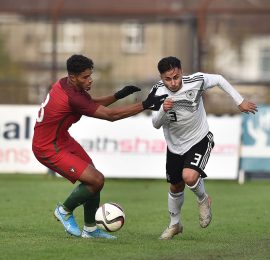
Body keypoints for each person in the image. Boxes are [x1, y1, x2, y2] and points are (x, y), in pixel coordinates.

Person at [32, 54, 167, 239]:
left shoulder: (66, 84)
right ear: (73, 77)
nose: (90, 80)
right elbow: (110, 116)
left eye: (90, 75)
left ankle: (90, 229)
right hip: (47, 147)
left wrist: (119, 95)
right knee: (96, 180)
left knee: (94, 178)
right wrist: (144, 105)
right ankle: (64, 211)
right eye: (85, 77)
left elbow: (89, 104)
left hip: (61, 139)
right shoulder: (73, 96)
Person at [151, 56, 258, 240]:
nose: (173, 82)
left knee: (189, 176)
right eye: (168, 79)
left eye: (176, 76)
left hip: (199, 138)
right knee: (176, 186)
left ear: (181, 72)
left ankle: (203, 199)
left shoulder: (196, 81)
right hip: (175, 146)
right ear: (161, 78)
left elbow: (219, 79)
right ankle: (174, 225)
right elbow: (155, 124)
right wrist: (162, 110)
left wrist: (239, 101)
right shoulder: (157, 92)